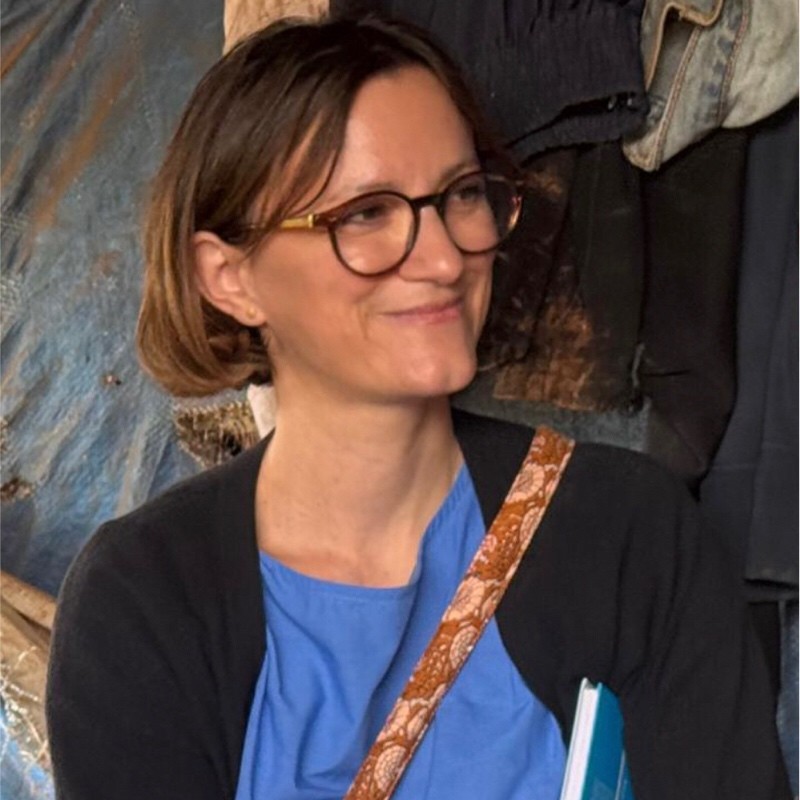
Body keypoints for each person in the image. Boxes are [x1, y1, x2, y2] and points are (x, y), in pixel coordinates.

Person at [45, 14, 790, 800]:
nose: (442, 258)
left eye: (461, 195)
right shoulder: (147, 599)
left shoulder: (629, 535)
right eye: (367, 213)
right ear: (230, 278)